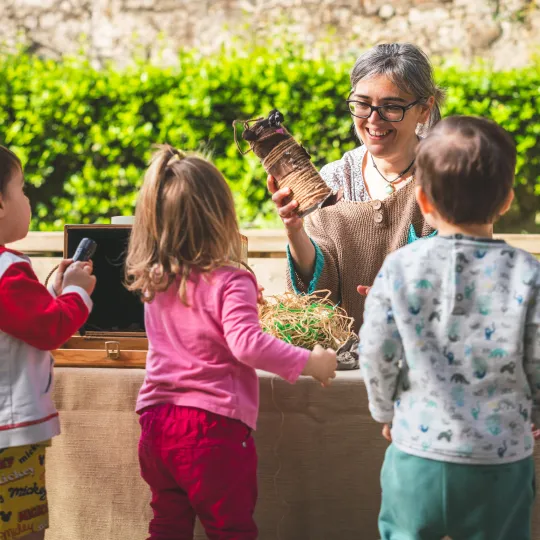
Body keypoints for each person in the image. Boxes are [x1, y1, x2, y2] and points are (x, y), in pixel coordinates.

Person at [125, 145, 337, 540]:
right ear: (221, 216)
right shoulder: (231, 279)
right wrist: (312, 361)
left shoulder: (155, 279)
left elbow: (196, 335)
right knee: (230, 529)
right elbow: (247, 344)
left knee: (167, 525)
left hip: (155, 424)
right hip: (209, 430)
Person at [359, 116, 538, 539]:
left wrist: (384, 410)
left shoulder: (400, 267)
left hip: (417, 456)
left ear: (422, 200)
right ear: (507, 199)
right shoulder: (528, 273)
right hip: (501, 460)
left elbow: (376, 350)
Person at [269, 42, 445, 332]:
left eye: (391, 107)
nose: (373, 119)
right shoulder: (335, 179)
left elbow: (465, 280)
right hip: (342, 367)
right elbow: (315, 297)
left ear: (424, 110)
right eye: (362, 104)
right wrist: (295, 230)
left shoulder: (446, 179)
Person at [0, 145, 95, 540]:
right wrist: (76, 294)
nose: (28, 199)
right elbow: (49, 328)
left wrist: (53, 290)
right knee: (22, 531)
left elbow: (20, 318)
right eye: (21, 189)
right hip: (10, 436)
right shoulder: (7, 269)